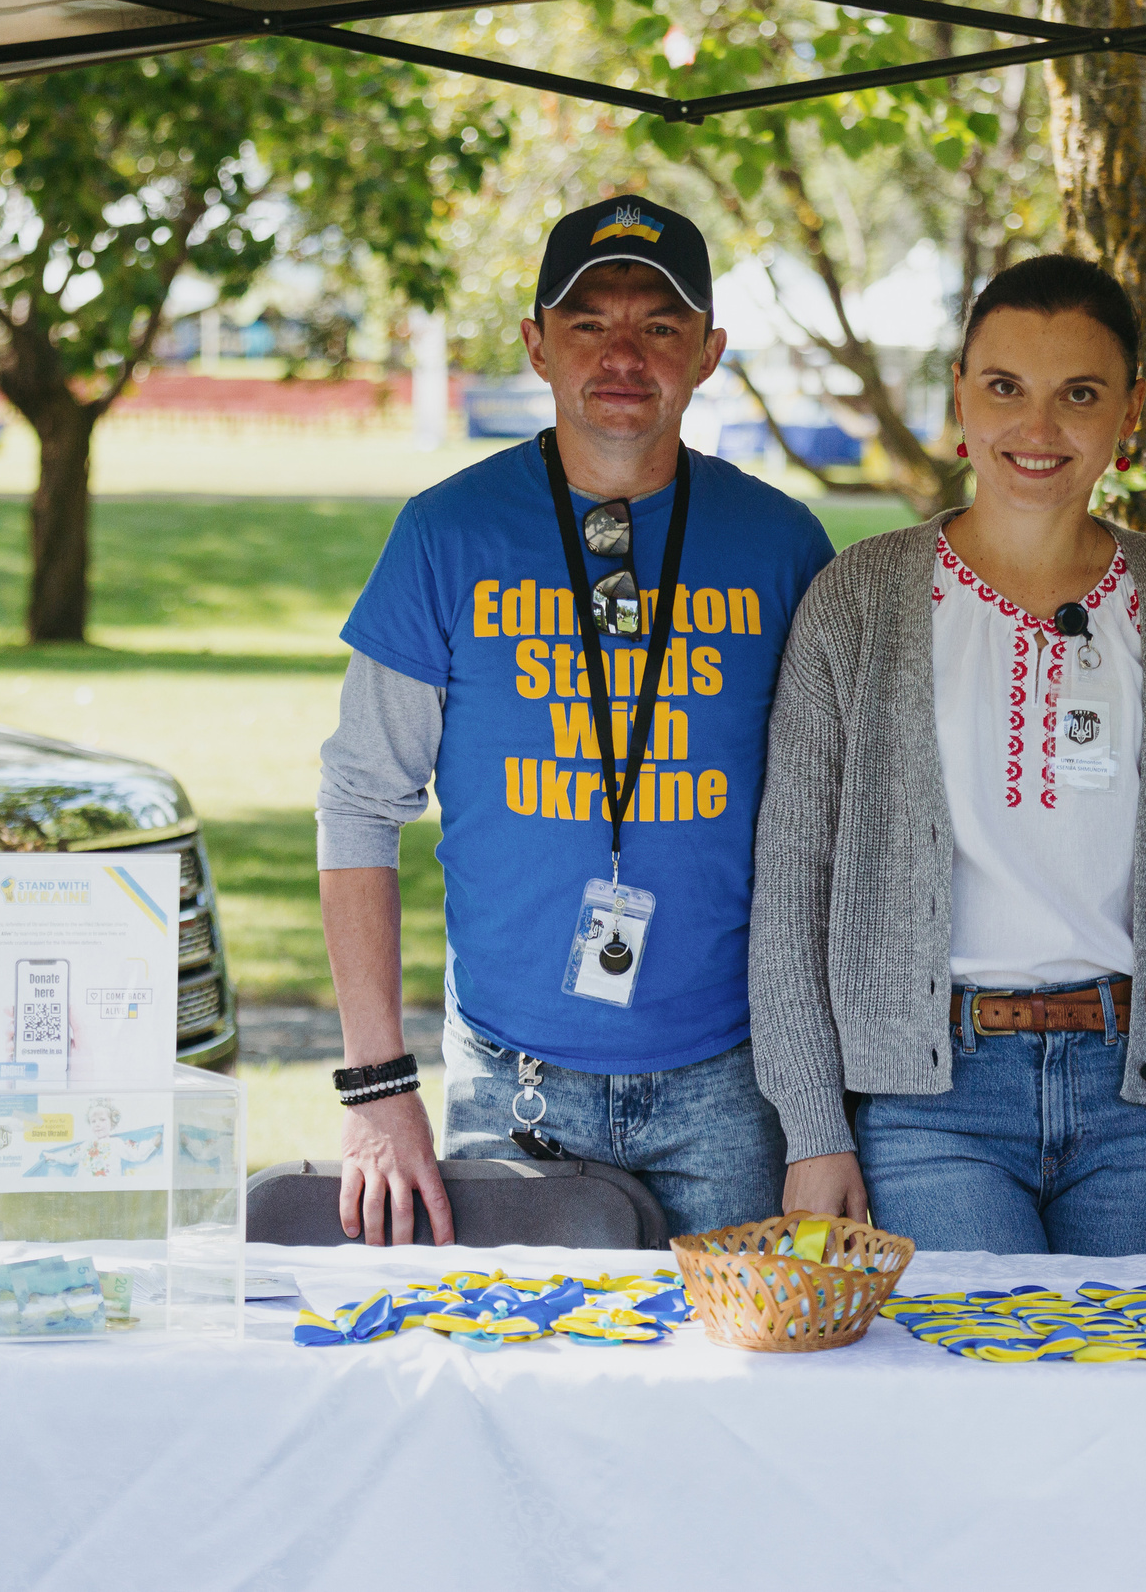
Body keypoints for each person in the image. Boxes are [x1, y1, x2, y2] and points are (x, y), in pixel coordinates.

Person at [316, 193, 835, 1243]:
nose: (622, 355)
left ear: (709, 352)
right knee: (515, 1354)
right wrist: (377, 1086)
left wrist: (821, 1113)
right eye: (589, 322)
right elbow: (360, 802)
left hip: (732, 1089)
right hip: (514, 1086)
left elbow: (836, 829)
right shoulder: (445, 535)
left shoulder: (783, 546)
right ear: (536, 345)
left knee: (736, 1355)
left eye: (659, 325)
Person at [752, 255, 1146, 1256]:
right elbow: (792, 881)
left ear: (1131, 409)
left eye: (1080, 394)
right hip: (933, 1102)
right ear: (959, 394)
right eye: (1006, 387)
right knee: (984, 1358)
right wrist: (813, 1127)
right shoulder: (859, 600)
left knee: (1140, 1355)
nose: (1037, 427)